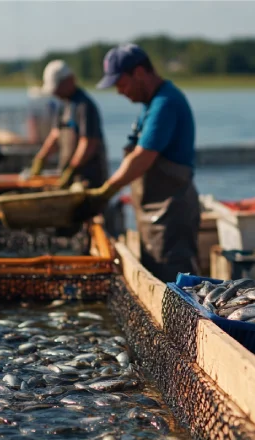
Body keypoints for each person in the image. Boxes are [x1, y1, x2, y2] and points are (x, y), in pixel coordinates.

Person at [76, 43, 200, 282]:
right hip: (154, 214)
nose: (119, 91)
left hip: (170, 214)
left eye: (121, 83)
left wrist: (106, 191)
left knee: (175, 285)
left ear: (140, 73)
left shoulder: (166, 103)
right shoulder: (150, 105)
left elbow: (142, 157)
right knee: (158, 277)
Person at [29, 60, 108, 189]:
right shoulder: (62, 104)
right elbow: (55, 135)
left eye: (58, 87)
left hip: (88, 179)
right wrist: (41, 159)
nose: (55, 93)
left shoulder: (84, 105)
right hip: (69, 178)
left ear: (70, 80)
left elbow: (88, 143)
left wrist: (72, 168)